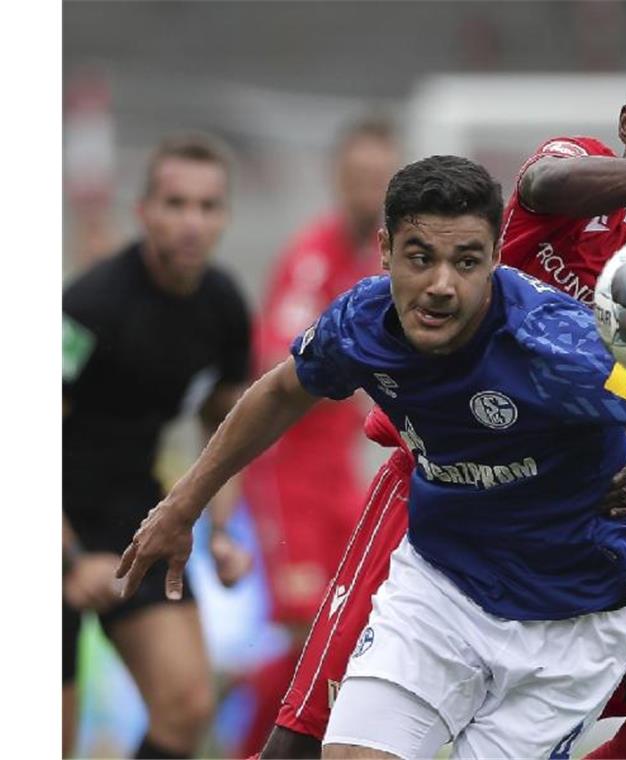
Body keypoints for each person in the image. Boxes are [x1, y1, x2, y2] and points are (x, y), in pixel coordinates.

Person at [117, 154, 626, 760]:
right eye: (420, 258)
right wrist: (181, 505)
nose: (441, 284)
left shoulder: (566, 351)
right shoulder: (363, 319)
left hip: (571, 626)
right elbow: (280, 391)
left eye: (466, 261)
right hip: (438, 596)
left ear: (494, 262)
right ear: (385, 254)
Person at [264, 49, 626, 760]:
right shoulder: (577, 173)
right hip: (447, 481)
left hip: (573, 516)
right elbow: (544, 182)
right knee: (302, 741)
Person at [63, 134, 254, 758]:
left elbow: (227, 425)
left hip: (130, 515)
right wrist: (67, 560)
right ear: (143, 211)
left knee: (187, 707)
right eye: (175, 204)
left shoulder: (222, 306)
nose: (192, 223)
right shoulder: (89, 307)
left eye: (207, 206)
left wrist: (223, 530)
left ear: (225, 216)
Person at [238, 117, 401, 758]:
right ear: (338, 181)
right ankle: (246, 727)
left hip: (341, 476)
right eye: (359, 178)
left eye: (380, 180)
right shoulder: (314, 256)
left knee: (348, 630)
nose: (370, 192)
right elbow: (276, 361)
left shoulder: (378, 258)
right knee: (313, 631)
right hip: (288, 475)